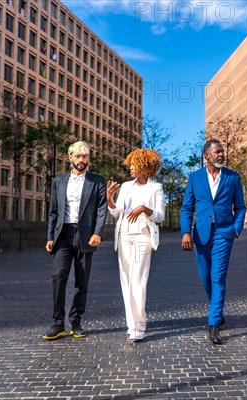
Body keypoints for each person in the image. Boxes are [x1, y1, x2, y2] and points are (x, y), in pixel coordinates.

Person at [180, 139, 246, 345]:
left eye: (222, 152)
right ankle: (216, 309)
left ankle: (214, 324)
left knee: (218, 277)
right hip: (200, 234)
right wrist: (185, 233)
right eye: (217, 152)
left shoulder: (233, 177)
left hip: (224, 234)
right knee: (205, 276)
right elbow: (186, 208)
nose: (221, 155)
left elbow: (241, 207)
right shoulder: (195, 178)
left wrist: (236, 229)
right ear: (207, 155)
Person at [43, 141, 108, 340]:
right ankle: (57, 323)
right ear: (70, 157)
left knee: (82, 280)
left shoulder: (97, 181)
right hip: (63, 234)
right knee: (58, 277)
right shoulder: (58, 182)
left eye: (85, 156)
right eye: (78, 156)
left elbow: (101, 209)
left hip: (86, 236)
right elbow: (53, 211)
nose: (82, 160)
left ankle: (76, 321)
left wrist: (97, 232)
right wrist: (50, 236)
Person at [106, 149, 164, 343]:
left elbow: (160, 216)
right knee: (126, 281)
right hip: (124, 235)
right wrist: (110, 200)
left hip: (143, 237)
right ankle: (132, 325)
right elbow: (117, 213)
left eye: (133, 164)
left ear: (145, 166)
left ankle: (139, 326)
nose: (130, 167)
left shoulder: (155, 188)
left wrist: (144, 209)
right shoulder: (126, 186)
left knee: (138, 280)